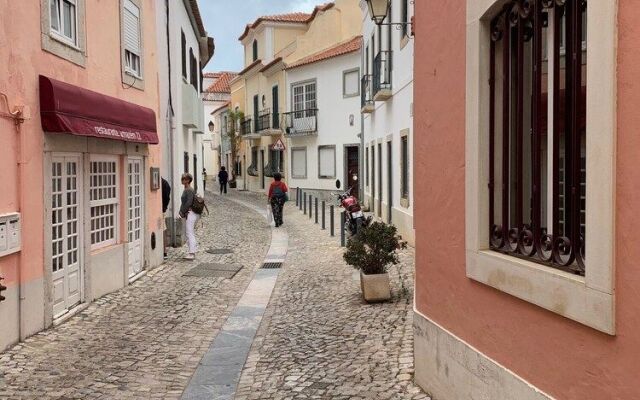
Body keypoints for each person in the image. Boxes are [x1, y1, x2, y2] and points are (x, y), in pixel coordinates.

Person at [179, 173, 198, 260]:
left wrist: (182, 211)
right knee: (189, 232)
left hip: (191, 213)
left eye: (183, 178)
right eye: (182, 178)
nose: (182, 180)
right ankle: (192, 251)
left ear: (187, 180)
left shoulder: (189, 190)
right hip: (189, 213)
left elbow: (188, 203)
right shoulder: (187, 189)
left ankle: (192, 253)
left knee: (189, 232)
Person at [161, 177, 171, 260]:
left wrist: (163, 208)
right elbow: (167, 198)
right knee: (164, 230)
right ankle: (164, 251)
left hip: (161, 210)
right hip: (162, 209)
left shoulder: (163, 183)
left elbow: (166, 198)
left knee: (163, 230)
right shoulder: (165, 183)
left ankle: (164, 251)